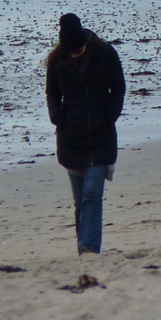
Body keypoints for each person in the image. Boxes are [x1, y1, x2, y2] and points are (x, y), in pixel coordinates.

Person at [45, 13, 127, 254]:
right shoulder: (57, 61)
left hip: (101, 137)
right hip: (71, 138)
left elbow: (119, 89)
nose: (76, 53)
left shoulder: (105, 53)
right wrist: (57, 119)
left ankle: (88, 248)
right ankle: (85, 246)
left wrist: (108, 117)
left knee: (92, 193)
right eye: (72, 52)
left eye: (79, 50)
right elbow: (51, 93)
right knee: (80, 200)